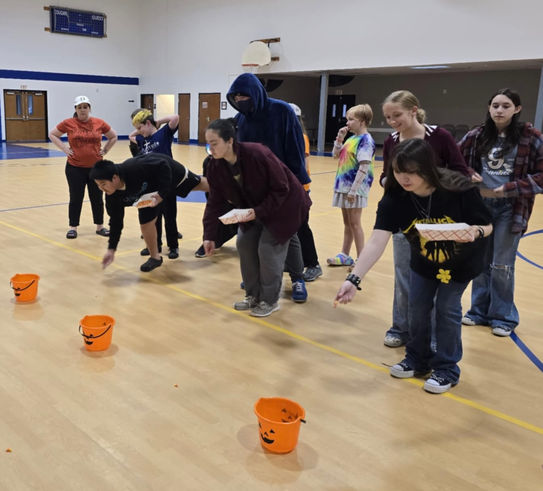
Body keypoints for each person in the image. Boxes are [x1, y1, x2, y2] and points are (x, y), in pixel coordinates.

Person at [335, 139, 492, 394]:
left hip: (461, 262)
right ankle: (418, 359)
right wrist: (353, 280)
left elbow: (488, 225)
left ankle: (447, 369)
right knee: (416, 307)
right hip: (424, 261)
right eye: (398, 172)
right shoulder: (395, 197)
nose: (404, 178)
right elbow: (377, 240)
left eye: (411, 172)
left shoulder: (458, 187)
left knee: (446, 308)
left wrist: (475, 231)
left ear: (427, 168)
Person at [380, 90, 471, 348]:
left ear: (413, 110)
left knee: (433, 279)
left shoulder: (439, 137)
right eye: (388, 117)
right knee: (403, 276)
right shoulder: (390, 141)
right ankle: (401, 327)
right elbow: (386, 175)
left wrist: (430, 183)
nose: (392, 121)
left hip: (438, 221)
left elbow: (461, 173)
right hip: (404, 220)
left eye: (396, 115)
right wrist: (389, 182)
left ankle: (429, 335)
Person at [202, 119, 311, 317]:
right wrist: (209, 235)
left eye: (214, 143)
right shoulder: (214, 166)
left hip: (285, 206)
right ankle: (252, 295)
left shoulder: (258, 154)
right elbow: (214, 201)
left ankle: (269, 300)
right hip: (254, 208)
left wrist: (257, 212)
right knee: (244, 243)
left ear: (230, 141)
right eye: (208, 144)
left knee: (268, 249)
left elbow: (282, 188)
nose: (211, 149)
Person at [459, 88, 543, 337]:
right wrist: (467, 172)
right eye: (495, 105)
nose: (499, 110)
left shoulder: (531, 137)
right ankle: (478, 311)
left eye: (506, 106)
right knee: (481, 261)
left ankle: (503, 317)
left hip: (511, 208)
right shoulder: (477, 135)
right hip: (480, 207)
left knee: (502, 264)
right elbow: (454, 159)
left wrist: (510, 188)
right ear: (489, 108)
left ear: (517, 109)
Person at [226, 73, 309, 303]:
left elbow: (295, 148)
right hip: (256, 188)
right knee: (252, 237)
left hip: (285, 185)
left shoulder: (282, 111)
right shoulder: (240, 119)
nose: (240, 100)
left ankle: (298, 278)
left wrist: (296, 184)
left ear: (255, 93)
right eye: (236, 97)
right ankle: (255, 278)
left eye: (244, 95)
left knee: (288, 233)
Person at [89, 154, 208, 272]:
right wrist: (111, 249)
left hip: (170, 172)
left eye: (103, 184)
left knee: (203, 185)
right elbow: (116, 223)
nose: (101, 189)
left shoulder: (134, 167)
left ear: (115, 178)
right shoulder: (112, 197)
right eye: (98, 185)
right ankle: (155, 258)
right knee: (146, 224)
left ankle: (221, 189)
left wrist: (161, 194)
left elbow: (163, 165)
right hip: (148, 192)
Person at [49, 95, 117, 239]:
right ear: (75, 109)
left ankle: (100, 226)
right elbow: (53, 134)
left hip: (96, 168)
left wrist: (105, 150)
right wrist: (64, 148)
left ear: (89, 108)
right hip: (75, 168)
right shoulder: (68, 123)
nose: (82, 110)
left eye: (85, 107)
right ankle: (73, 227)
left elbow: (113, 136)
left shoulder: (99, 123)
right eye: (79, 107)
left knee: (97, 197)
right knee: (76, 198)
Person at [327, 104, 375, 268]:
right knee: (347, 223)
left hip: (355, 189)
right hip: (344, 186)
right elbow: (335, 155)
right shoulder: (352, 138)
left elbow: (364, 166)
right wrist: (340, 138)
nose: (347, 123)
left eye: (351, 119)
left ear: (362, 121)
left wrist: (353, 190)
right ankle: (345, 255)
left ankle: (361, 259)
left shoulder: (366, 141)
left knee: (355, 224)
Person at [129, 109, 181, 259]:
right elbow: (131, 136)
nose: (138, 131)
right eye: (137, 128)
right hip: (151, 185)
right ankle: (155, 245)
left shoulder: (163, 134)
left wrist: (157, 122)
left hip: (167, 182)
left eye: (140, 127)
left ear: (148, 123)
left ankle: (173, 246)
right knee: (153, 217)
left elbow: (175, 117)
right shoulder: (142, 139)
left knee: (169, 216)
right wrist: (140, 129)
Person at [289, 103, 323, 282]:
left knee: (301, 227)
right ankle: (294, 262)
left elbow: (303, 164)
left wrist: (301, 186)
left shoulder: (300, 137)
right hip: (289, 189)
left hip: (300, 190)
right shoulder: (286, 135)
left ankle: (313, 264)